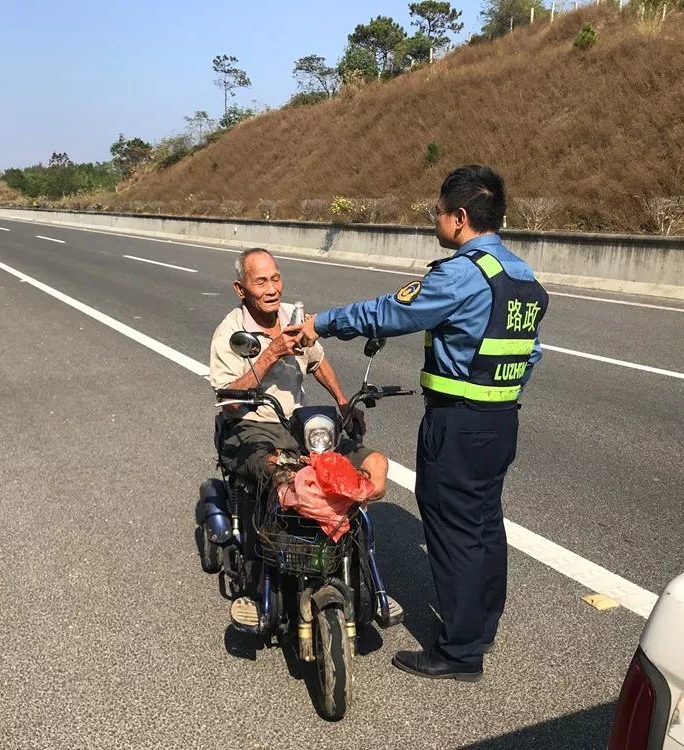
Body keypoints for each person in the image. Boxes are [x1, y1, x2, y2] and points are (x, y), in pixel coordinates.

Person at [293, 165, 549, 682]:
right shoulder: (524, 276)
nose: (435, 219)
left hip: (457, 424)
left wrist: (323, 322)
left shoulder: (462, 272)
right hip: (501, 421)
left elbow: (392, 313)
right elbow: (531, 353)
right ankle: (482, 626)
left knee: (452, 533)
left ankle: (459, 653)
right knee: (483, 524)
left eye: (438, 211)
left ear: (459, 217)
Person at [209, 247, 389, 499]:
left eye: (276, 278)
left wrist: (343, 402)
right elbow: (230, 405)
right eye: (260, 282)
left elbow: (318, 361)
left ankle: (342, 527)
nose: (272, 290)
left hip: (300, 426)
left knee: (376, 466)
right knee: (288, 478)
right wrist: (272, 353)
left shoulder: (293, 317)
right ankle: (281, 534)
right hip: (253, 429)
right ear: (240, 289)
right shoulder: (229, 332)